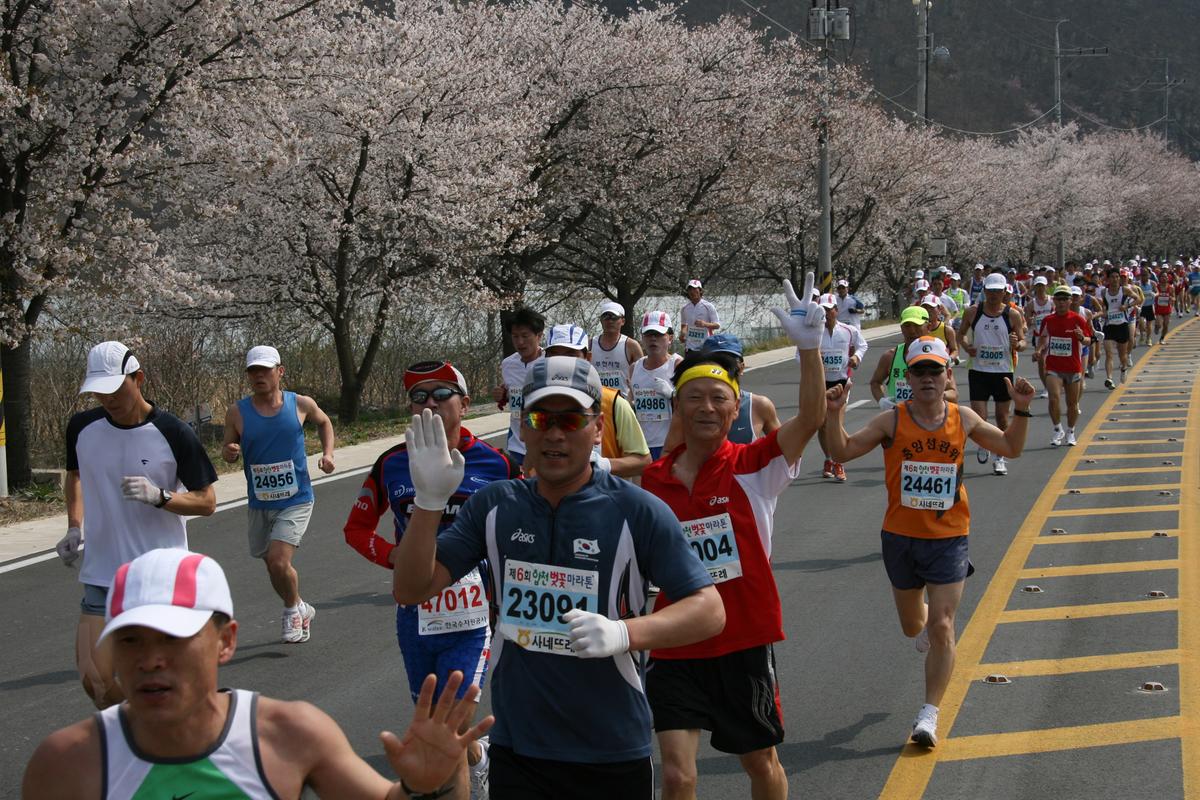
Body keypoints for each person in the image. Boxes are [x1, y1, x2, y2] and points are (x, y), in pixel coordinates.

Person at [391, 357, 725, 800]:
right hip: (519, 747)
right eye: (539, 417)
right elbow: (411, 588)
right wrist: (430, 502)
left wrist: (625, 633)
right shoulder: (494, 505)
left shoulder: (636, 510)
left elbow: (709, 610)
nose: (554, 433)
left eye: (570, 419)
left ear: (597, 428)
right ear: (521, 427)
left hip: (612, 749)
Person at [23, 548, 493, 800]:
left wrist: (429, 788)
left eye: (174, 638)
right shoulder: (66, 763)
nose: (150, 660)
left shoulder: (290, 735)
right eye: (131, 640)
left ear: (226, 640)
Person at [643, 274, 827, 800]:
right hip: (674, 639)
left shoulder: (754, 466)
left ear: (734, 409)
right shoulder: (652, 482)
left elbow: (811, 418)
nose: (705, 407)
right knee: (677, 774)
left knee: (760, 762)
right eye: (694, 397)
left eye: (718, 399)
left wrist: (809, 349)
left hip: (743, 638)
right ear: (676, 407)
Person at [822, 336, 1034, 748]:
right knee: (912, 626)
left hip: (949, 538)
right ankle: (929, 630)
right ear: (909, 378)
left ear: (947, 376)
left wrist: (1022, 409)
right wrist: (834, 414)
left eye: (934, 371)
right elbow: (842, 451)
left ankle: (929, 714)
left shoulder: (964, 418)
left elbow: (1011, 447)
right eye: (918, 371)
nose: (927, 379)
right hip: (900, 537)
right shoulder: (892, 421)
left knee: (942, 625)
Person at [344, 360, 517, 798]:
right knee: (439, 727)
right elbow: (356, 529)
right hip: (415, 613)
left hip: (476, 611)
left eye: (441, 394)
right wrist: (393, 557)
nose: (430, 404)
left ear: (464, 402)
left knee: (448, 723)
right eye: (419, 396)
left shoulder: (496, 463)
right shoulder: (391, 463)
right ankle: (479, 755)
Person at [59, 341, 218, 709]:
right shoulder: (82, 428)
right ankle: (144, 740)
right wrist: (73, 526)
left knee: (164, 677)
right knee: (94, 679)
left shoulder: (174, 432)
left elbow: (207, 501)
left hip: (159, 576)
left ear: (138, 378)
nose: (107, 398)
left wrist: (159, 497)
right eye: (99, 390)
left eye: (115, 388)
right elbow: (75, 476)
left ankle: (169, 739)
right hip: (102, 574)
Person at [222, 345, 335, 644]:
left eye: (265, 370)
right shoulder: (237, 412)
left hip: (296, 498)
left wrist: (328, 454)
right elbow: (228, 451)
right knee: (273, 566)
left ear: (279, 372)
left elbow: (324, 422)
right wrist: (231, 452)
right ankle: (300, 606)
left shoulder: (299, 404)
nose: (258, 376)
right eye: (253, 371)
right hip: (260, 501)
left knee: (278, 560)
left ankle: (290, 612)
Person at [542, 323, 651, 478]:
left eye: (571, 354)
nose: (562, 362)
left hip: (608, 498)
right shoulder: (538, 403)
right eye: (554, 355)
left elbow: (643, 461)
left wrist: (603, 465)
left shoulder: (613, 403)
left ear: (588, 358)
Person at [959, 275, 1026, 475]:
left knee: (1002, 418)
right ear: (985, 291)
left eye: (998, 291)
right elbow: (960, 333)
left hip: (1003, 371)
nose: (995, 294)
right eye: (991, 290)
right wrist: (966, 346)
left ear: (1005, 291)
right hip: (979, 370)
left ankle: (1000, 457)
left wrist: (1017, 345)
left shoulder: (1012, 315)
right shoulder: (973, 312)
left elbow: (1023, 342)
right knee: (979, 416)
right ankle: (984, 444)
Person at [816, 293, 868, 481]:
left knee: (835, 422)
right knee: (822, 425)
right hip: (820, 382)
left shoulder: (849, 330)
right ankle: (829, 459)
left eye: (829, 309)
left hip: (841, 381)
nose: (826, 313)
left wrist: (856, 357)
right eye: (822, 310)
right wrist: (814, 361)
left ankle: (839, 462)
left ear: (836, 311)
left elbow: (862, 345)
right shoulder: (814, 332)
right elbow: (799, 355)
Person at [868, 306, 959, 409]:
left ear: (928, 327)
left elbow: (953, 394)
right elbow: (875, 382)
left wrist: (933, 395)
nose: (911, 331)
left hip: (930, 419)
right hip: (899, 418)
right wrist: (882, 401)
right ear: (901, 328)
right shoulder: (890, 356)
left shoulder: (938, 356)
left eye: (917, 325)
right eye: (907, 326)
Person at [1036, 286, 1090, 447]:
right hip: (1054, 367)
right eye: (1058, 299)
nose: (1061, 302)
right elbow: (1043, 338)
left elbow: (1089, 340)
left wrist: (1081, 338)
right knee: (1053, 398)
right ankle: (1057, 428)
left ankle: (1071, 431)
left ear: (1070, 301)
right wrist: (1039, 350)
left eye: (1065, 299)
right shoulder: (1048, 320)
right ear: (1054, 301)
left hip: (1073, 367)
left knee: (1072, 404)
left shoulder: (1078, 319)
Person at [492, 307, 545, 470]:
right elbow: (512, 393)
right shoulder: (508, 364)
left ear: (539, 336)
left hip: (543, 439)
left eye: (525, 336)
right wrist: (502, 396)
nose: (520, 342)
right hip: (517, 440)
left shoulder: (550, 362)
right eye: (515, 337)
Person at [629, 311, 683, 460]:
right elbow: (630, 403)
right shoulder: (635, 368)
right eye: (648, 334)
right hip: (641, 445)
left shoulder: (677, 364)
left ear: (670, 338)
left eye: (659, 334)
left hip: (670, 444)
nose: (653, 339)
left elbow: (690, 406)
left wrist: (672, 394)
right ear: (642, 338)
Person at [593, 301, 644, 395]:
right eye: (606, 317)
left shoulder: (631, 345)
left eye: (614, 317)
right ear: (601, 320)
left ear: (623, 321)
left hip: (622, 402)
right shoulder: (590, 344)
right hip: (597, 401)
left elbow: (642, 376)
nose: (610, 321)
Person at [1099, 268, 1134, 389]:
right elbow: (1103, 306)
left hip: (1122, 324)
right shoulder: (1104, 292)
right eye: (1112, 277)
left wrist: (1127, 305)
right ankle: (1109, 378)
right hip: (1109, 325)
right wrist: (1103, 312)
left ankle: (1124, 368)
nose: (1115, 279)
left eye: (1117, 277)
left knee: (1122, 355)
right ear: (1108, 279)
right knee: (1109, 353)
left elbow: (1139, 299)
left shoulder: (1124, 290)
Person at [680, 279, 720, 352]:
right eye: (690, 289)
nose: (692, 292)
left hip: (706, 346)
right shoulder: (685, 308)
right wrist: (682, 334)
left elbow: (717, 325)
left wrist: (704, 324)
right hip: (690, 347)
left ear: (700, 291)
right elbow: (684, 325)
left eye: (695, 289)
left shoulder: (709, 306)